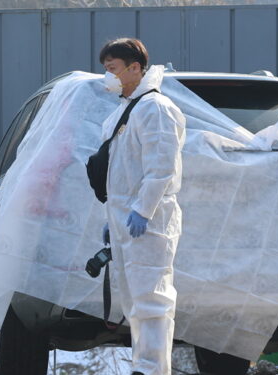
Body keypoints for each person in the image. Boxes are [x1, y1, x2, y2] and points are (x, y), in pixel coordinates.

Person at [98, 38, 186, 375]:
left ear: (135, 68)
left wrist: (143, 210)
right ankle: (145, 365)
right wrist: (115, 216)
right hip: (127, 219)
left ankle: (151, 370)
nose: (109, 76)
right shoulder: (128, 108)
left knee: (152, 299)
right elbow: (122, 170)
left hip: (149, 221)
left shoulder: (155, 108)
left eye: (113, 69)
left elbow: (161, 167)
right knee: (135, 301)